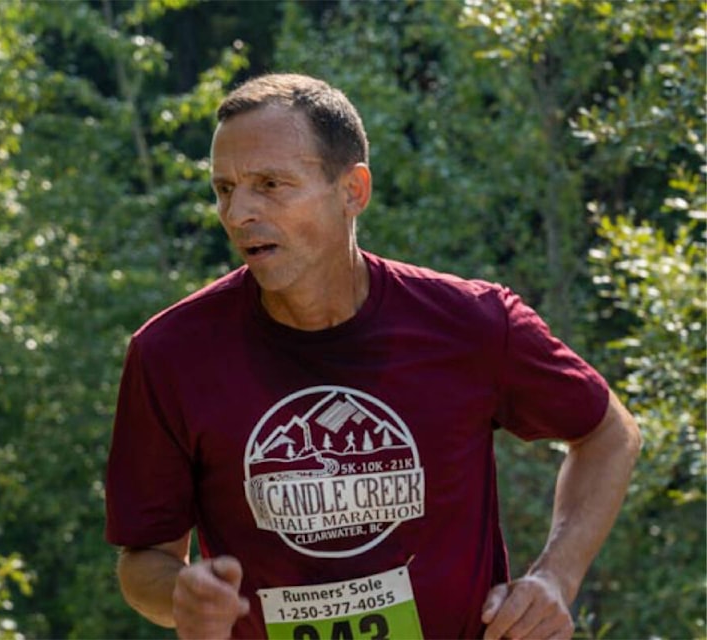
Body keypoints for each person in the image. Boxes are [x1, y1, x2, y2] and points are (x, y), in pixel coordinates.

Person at [104, 73, 641, 640]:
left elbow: (608, 433)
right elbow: (144, 561)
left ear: (352, 190)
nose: (238, 213)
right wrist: (180, 596)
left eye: (270, 184)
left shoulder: (471, 324)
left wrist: (554, 579)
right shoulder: (170, 354)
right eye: (224, 189)